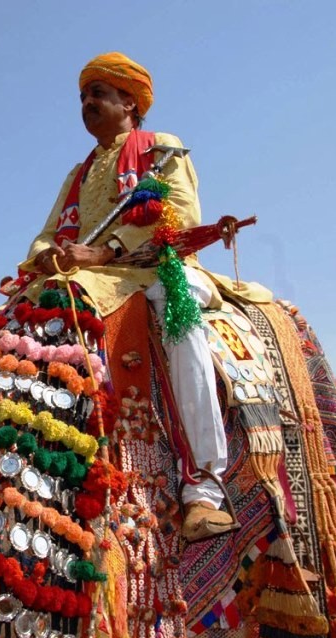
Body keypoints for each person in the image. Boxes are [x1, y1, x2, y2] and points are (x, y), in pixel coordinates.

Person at [23, 52, 234, 541]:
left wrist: (105, 251)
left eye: (98, 93)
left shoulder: (161, 147)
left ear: (130, 102)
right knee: (19, 318)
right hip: (86, 276)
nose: (87, 103)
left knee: (175, 320)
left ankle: (203, 488)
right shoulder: (78, 173)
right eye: (83, 97)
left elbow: (179, 214)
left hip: (155, 268)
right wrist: (47, 255)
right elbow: (46, 233)